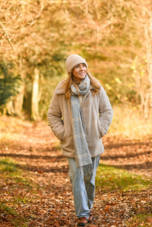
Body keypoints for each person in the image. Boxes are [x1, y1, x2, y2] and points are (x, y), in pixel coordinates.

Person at [47, 54, 113, 226]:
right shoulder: (61, 90)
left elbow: (107, 111)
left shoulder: (95, 87)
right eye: (78, 66)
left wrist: (101, 129)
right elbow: (53, 115)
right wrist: (63, 133)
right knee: (77, 177)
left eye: (84, 65)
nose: (82, 69)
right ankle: (82, 215)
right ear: (71, 70)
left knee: (89, 180)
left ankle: (88, 209)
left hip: (92, 143)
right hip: (72, 145)